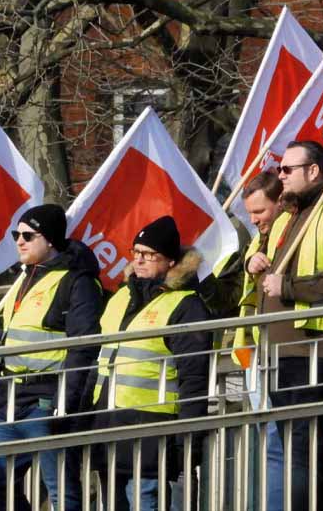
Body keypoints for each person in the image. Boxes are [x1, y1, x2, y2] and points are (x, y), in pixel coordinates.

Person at [246, 141, 323, 511]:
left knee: (301, 449)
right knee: (300, 451)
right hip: (284, 353)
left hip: (320, 350)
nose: (279, 176)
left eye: (287, 170)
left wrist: (286, 286)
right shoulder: (288, 216)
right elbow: (263, 264)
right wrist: (252, 262)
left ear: (314, 171)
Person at [0, 204, 102, 511]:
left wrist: (67, 403)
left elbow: (84, 348)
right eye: (16, 234)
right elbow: (11, 337)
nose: (19, 241)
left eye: (27, 235)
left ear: (49, 240)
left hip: (46, 401)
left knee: (61, 490)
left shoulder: (77, 282)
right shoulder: (27, 276)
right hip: (7, 400)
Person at [90, 216, 211, 511]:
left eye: (149, 254)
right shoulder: (120, 297)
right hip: (108, 423)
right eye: (136, 253)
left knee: (146, 502)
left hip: (151, 431)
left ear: (170, 261)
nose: (140, 260)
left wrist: (189, 439)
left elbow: (193, 378)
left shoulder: (186, 305)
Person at [230, 170, 285, 510]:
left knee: (279, 441)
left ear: (279, 203)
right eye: (250, 213)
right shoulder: (256, 240)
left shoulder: (291, 232)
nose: (254, 220)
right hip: (251, 351)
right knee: (268, 437)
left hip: (279, 350)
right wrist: (249, 265)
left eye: (260, 212)